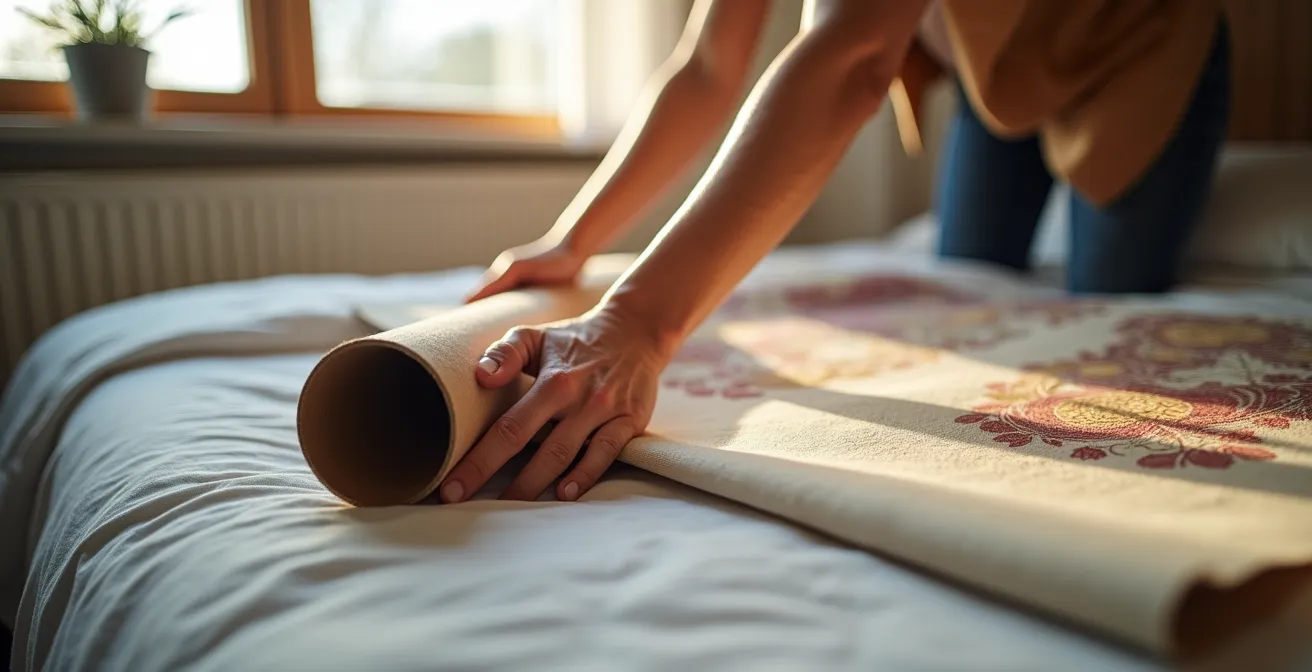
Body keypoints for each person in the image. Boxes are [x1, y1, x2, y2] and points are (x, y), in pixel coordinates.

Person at [437, 0, 1232, 505]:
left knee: (1108, 298)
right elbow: (710, 65)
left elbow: (853, 59)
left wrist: (640, 322)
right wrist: (573, 242)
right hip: (1001, 68)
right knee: (972, 279)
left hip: (1134, 37)